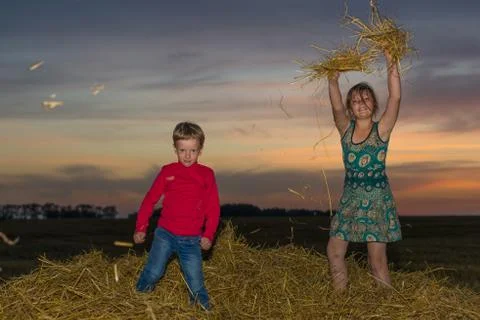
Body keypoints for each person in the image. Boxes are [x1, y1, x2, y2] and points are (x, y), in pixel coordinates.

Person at [326, 51, 402, 291]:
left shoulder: (382, 130)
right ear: (350, 107)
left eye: (367, 99)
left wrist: (391, 62)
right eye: (356, 101)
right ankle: (340, 301)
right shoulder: (345, 130)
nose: (362, 104)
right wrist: (332, 80)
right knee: (334, 251)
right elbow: (336, 106)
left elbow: (396, 98)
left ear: (374, 104)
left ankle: (389, 308)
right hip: (350, 201)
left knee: (377, 261)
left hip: (377, 202)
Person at [133, 121, 220, 310]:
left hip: (191, 240)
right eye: (182, 150)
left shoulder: (206, 175)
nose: (188, 156)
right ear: (175, 148)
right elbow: (149, 200)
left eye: (193, 150)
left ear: (200, 149)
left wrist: (208, 234)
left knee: (195, 283)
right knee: (154, 272)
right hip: (165, 234)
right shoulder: (168, 172)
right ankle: (136, 303)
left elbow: (213, 209)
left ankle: (204, 312)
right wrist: (141, 227)